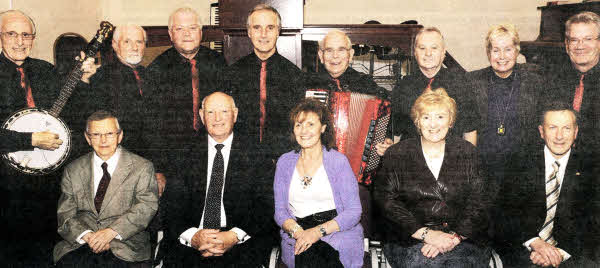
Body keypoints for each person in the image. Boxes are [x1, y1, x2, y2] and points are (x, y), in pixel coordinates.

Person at [0, 10, 94, 266]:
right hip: (6, 187)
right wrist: (30, 140)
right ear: (0, 36)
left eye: (26, 35)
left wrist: (84, 80)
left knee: (44, 250)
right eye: (11, 34)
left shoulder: (45, 71)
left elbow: (71, 114)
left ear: (33, 38)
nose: (20, 41)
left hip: (47, 184)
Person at [374, 89, 490, 268]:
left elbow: (479, 202)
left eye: (440, 117)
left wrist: (454, 237)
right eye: (426, 117)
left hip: (463, 240)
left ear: (451, 121)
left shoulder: (469, 153)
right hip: (410, 239)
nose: (433, 124)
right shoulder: (397, 154)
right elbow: (387, 201)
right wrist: (427, 234)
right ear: (417, 122)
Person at [161, 92, 275, 267]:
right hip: (191, 241)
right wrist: (193, 237)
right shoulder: (183, 152)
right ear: (201, 116)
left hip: (238, 241)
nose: (217, 119)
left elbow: (265, 207)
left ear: (235, 114)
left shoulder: (257, 153)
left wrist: (233, 235)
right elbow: (171, 205)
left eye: (224, 112)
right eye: (210, 113)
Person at [496, 101, 598, 267]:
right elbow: (504, 215)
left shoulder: (592, 168)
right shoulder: (517, 162)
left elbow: (593, 223)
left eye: (566, 128)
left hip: (573, 251)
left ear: (576, 132)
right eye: (552, 128)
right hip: (525, 249)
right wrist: (534, 242)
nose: (559, 136)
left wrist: (560, 253)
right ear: (541, 131)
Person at [54, 110, 158, 267]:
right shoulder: (73, 169)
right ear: (87, 138)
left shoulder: (142, 167)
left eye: (109, 133)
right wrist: (88, 236)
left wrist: (110, 233)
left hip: (126, 246)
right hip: (81, 245)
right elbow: (65, 214)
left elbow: (146, 207)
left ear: (120, 136)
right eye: (96, 134)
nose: (103, 140)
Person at [274, 98, 364, 268]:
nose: (303, 131)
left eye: (310, 124)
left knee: (316, 255)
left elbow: (354, 211)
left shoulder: (338, 161)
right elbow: (280, 211)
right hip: (297, 232)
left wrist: (316, 232)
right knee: (309, 252)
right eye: (298, 125)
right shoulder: (284, 162)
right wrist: (298, 232)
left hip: (336, 231)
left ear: (323, 128)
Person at [145, 7, 227, 184]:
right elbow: (151, 124)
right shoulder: (156, 69)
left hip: (213, 151)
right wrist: (158, 169)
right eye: (179, 29)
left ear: (201, 31)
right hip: (174, 161)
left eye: (192, 28)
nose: (187, 34)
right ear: (170, 34)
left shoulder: (218, 62)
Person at [218, 4, 303, 159]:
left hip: (282, 160)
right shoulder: (232, 73)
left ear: (278, 31)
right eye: (257, 28)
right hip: (241, 160)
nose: (263, 34)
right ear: (249, 32)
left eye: (270, 28)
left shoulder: (295, 75)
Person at [466, 24, 543, 193]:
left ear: (517, 51)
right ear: (488, 53)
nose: (502, 56)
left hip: (523, 172)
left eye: (508, 49)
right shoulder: (472, 82)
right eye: (495, 50)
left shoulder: (535, 81)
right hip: (484, 171)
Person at [390, 27, 479, 146]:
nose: (428, 53)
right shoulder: (403, 86)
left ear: (443, 53)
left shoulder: (461, 83)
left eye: (434, 48)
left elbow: (470, 130)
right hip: (410, 159)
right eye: (422, 48)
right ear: (415, 53)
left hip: (451, 159)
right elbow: (395, 132)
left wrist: (469, 161)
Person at [546, 11, 600, 151]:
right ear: (566, 45)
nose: (580, 46)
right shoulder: (552, 78)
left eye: (588, 39)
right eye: (574, 40)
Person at [303, 29, 389, 99]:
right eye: (329, 50)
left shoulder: (366, 84)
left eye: (341, 50)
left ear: (350, 55)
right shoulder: (308, 84)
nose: (335, 56)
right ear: (321, 56)